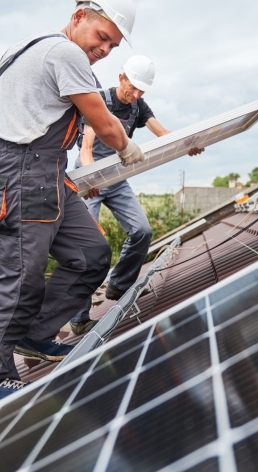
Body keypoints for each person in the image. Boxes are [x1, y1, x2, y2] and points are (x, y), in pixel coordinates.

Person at [0, 0, 145, 399]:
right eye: (102, 38)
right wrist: (125, 146)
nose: (104, 50)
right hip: (23, 171)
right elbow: (102, 120)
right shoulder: (64, 52)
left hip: (49, 173)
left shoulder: (30, 49)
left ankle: (34, 334)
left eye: (113, 46)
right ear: (79, 16)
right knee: (21, 275)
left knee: (91, 253)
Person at [70, 55, 205, 335]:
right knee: (89, 247)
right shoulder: (100, 100)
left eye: (142, 90)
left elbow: (163, 134)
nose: (137, 94)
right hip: (91, 180)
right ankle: (80, 317)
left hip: (118, 179)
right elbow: (86, 148)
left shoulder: (138, 107)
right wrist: (90, 176)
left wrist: (188, 144)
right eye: (133, 87)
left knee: (142, 230)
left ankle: (118, 285)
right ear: (121, 78)